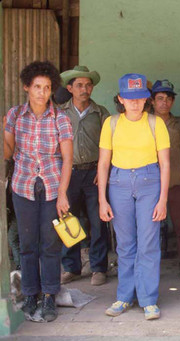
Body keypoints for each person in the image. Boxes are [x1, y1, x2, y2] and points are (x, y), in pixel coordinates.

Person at [4, 61, 73, 322]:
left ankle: (49, 296)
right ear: (26, 87)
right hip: (23, 187)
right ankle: (31, 294)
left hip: (53, 187)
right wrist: (4, 131)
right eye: (37, 87)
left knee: (51, 245)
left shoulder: (61, 118)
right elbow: (8, 154)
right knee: (27, 245)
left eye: (46, 88)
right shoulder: (14, 115)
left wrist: (64, 194)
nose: (42, 92)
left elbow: (67, 159)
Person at [98, 73, 170, 320]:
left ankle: (149, 299)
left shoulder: (155, 123)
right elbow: (103, 163)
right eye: (130, 99)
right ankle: (124, 297)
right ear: (121, 99)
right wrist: (102, 199)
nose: (135, 103)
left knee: (148, 242)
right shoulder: (111, 123)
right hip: (118, 184)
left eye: (140, 98)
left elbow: (166, 163)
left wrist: (163, 199)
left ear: (146, 99)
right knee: (125, 244)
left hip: (150, 181)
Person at [59, 65, 109, 286]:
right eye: (79, 85)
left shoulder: (101, 113)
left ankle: (99, 268)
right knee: (69, 220)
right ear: (70, 88)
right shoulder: (60, 113)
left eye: (88, 85)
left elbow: (111, 145)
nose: (84, 89)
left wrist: (102, 169)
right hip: (68, 174)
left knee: (99, 221)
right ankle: (72, 267)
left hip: (94, 173)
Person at [151, 79, 180, 284]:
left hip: (176, 184)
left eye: (168, 99)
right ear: (152, 101)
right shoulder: (145, 122)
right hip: (150, 186)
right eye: (160, 98)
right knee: (148, 230)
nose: (164, 103)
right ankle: (149, 271)